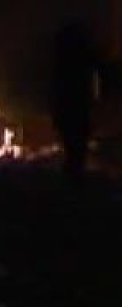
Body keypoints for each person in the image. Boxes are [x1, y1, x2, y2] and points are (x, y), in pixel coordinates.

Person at [51, 20, 98, 184]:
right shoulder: (82, 63)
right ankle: (75, 177)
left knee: (73, 147)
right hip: (76, 109)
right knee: (76, 148)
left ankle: (73, 177)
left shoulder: (63, 65)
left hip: (70, 109)